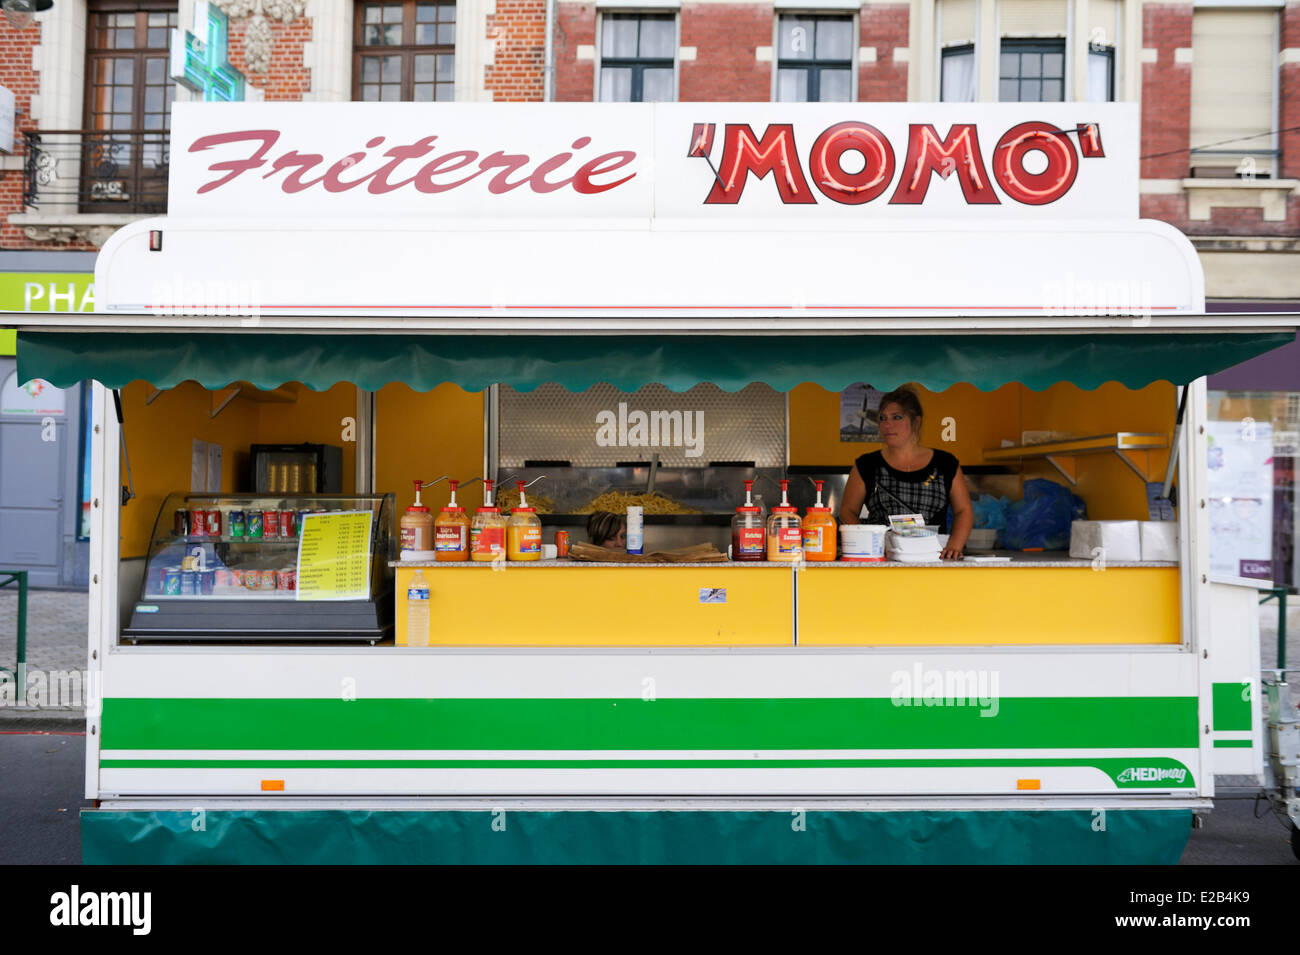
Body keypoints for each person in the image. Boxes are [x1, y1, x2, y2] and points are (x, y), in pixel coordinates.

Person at [839, 387, 974, 559]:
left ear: (916, 422)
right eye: (882, 418)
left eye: (897, 417)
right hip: (884, 559)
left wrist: (955, 546)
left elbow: (963, 510)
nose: (887, 424)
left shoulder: (945, 463)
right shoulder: (866, 464)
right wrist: (871, 543)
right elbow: (847, 511)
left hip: (933, 558)